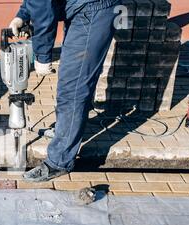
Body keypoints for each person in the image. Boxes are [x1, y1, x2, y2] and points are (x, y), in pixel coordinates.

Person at [10, 0, 121, 181]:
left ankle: (59, 161)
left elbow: (43, 6)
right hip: (83, 8)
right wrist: (22, 15)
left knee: (73, 87)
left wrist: (43, 56)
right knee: (75, 80)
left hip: (94, 10)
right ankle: (67, 131)